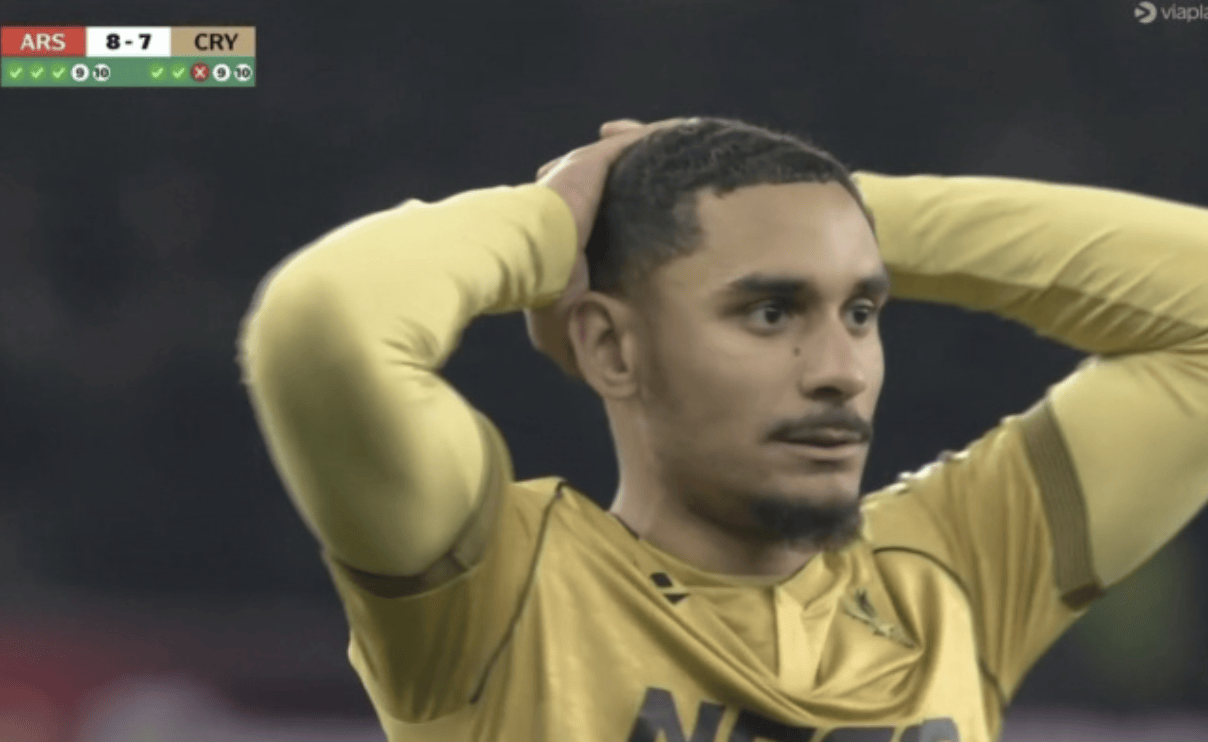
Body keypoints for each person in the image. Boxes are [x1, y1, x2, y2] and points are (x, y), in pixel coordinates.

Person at [236, 117, 1208, 742]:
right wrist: (557, 220)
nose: (839, 370)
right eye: (770, 312)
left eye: (860, 311)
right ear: (611, 348)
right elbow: (326, 325)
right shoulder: (502, 588)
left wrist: (821, 212)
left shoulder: (951, 574)